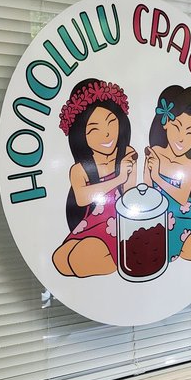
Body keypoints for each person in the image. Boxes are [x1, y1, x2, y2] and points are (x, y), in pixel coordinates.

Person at [52, 78, 137, 277]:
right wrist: (118, 178)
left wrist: (126, 176)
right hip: (91, 223)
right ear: (81, 135)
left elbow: (130, 197)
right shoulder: (79, 169)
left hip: (119, 223)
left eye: (111, 122)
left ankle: (123, 257)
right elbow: (82, 198)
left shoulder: (127, 154)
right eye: (94, 129)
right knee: (60, 260)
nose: (106, 134)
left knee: (81, 259)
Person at [144, 85, 191, 263]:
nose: (182, 138)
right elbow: (148, 188)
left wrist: (157, 176)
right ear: (166, 124)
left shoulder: (189, 163)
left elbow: (181, 197)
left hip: (185, 208)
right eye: (177, 127)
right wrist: (151, 176)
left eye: (190, 132)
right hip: (163, 213)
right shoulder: (154, 152)